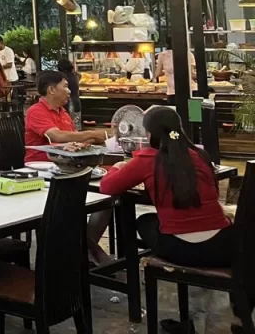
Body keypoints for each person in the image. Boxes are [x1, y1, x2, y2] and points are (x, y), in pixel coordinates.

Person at [99, 107, 234, 285]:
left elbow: (107, 186)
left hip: (181, 250)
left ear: (148, 134)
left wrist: (118, 166)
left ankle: (128, 272)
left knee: (144, 221)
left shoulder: (146, 159)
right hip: (223, 246)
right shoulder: (199, 155)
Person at [24, 71, 108, 163]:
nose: (69, 91)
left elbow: (74, 138)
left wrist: (97, 139)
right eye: (65, 86)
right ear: (51, 90)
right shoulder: (35, 111)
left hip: (65, 163)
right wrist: (93, 134)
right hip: (42, 165)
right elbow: (57, 136)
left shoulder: (62, 112)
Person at [56, 58, 83, 127]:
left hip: (67, 104)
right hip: (76, 102)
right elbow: (80, 75)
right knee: (76, 127)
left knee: (67, 127)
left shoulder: (61, 77)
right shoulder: (75, 75)